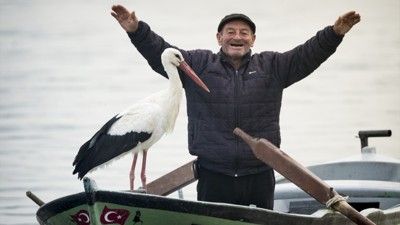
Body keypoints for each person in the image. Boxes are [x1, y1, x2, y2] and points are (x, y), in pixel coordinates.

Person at [111, 5, 360, 209]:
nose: (237, 37)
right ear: (219, 38)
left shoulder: (272, 66)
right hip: (213, 175)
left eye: (244, 32)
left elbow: (307, 55)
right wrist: (136, 30)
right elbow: (161, 53)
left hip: (260, 172)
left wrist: (335, 33)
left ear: (252, 40)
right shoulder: (198, 64)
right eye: (230, 31)